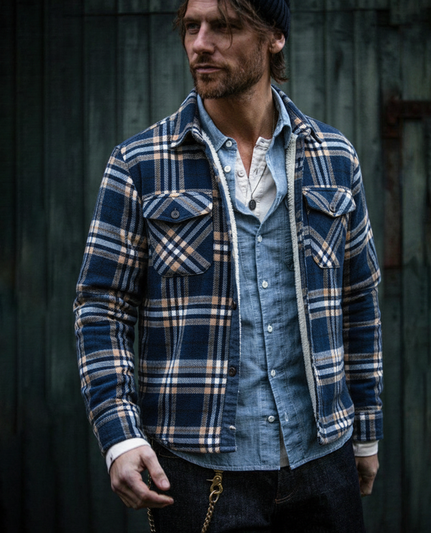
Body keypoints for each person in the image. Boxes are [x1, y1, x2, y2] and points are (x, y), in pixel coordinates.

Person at [74, 0, 383, 530]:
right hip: (197, 471)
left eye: (224, 27)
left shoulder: (334, 156)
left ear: (274, 37)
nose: (200, 44)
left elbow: (358, 301)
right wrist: (119, 435)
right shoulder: (140, 163)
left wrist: (367, 432)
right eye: (191, 27)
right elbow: (102, 308)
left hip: (324, 461)